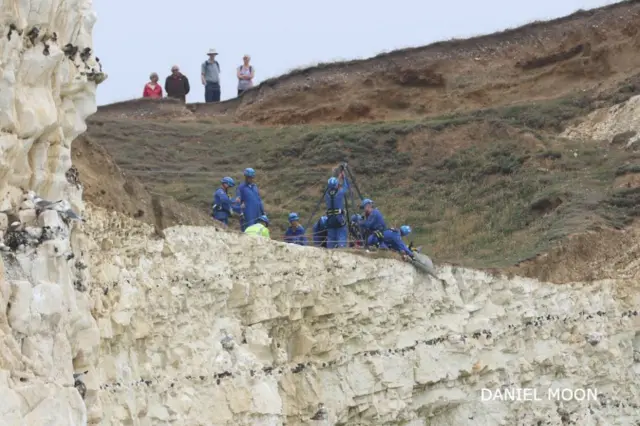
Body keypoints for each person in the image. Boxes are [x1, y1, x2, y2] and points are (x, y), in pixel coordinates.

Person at [324, 172, 349, 248]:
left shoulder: (326, 195)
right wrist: (343, 178)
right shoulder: (340, 193)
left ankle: (330, 250)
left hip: (330, 219)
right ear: (336, 185)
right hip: (339, 218)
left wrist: (338, 179)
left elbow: (332, 189)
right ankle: (341, 248)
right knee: (341, 234)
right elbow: (345, 187)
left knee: (331, 237)